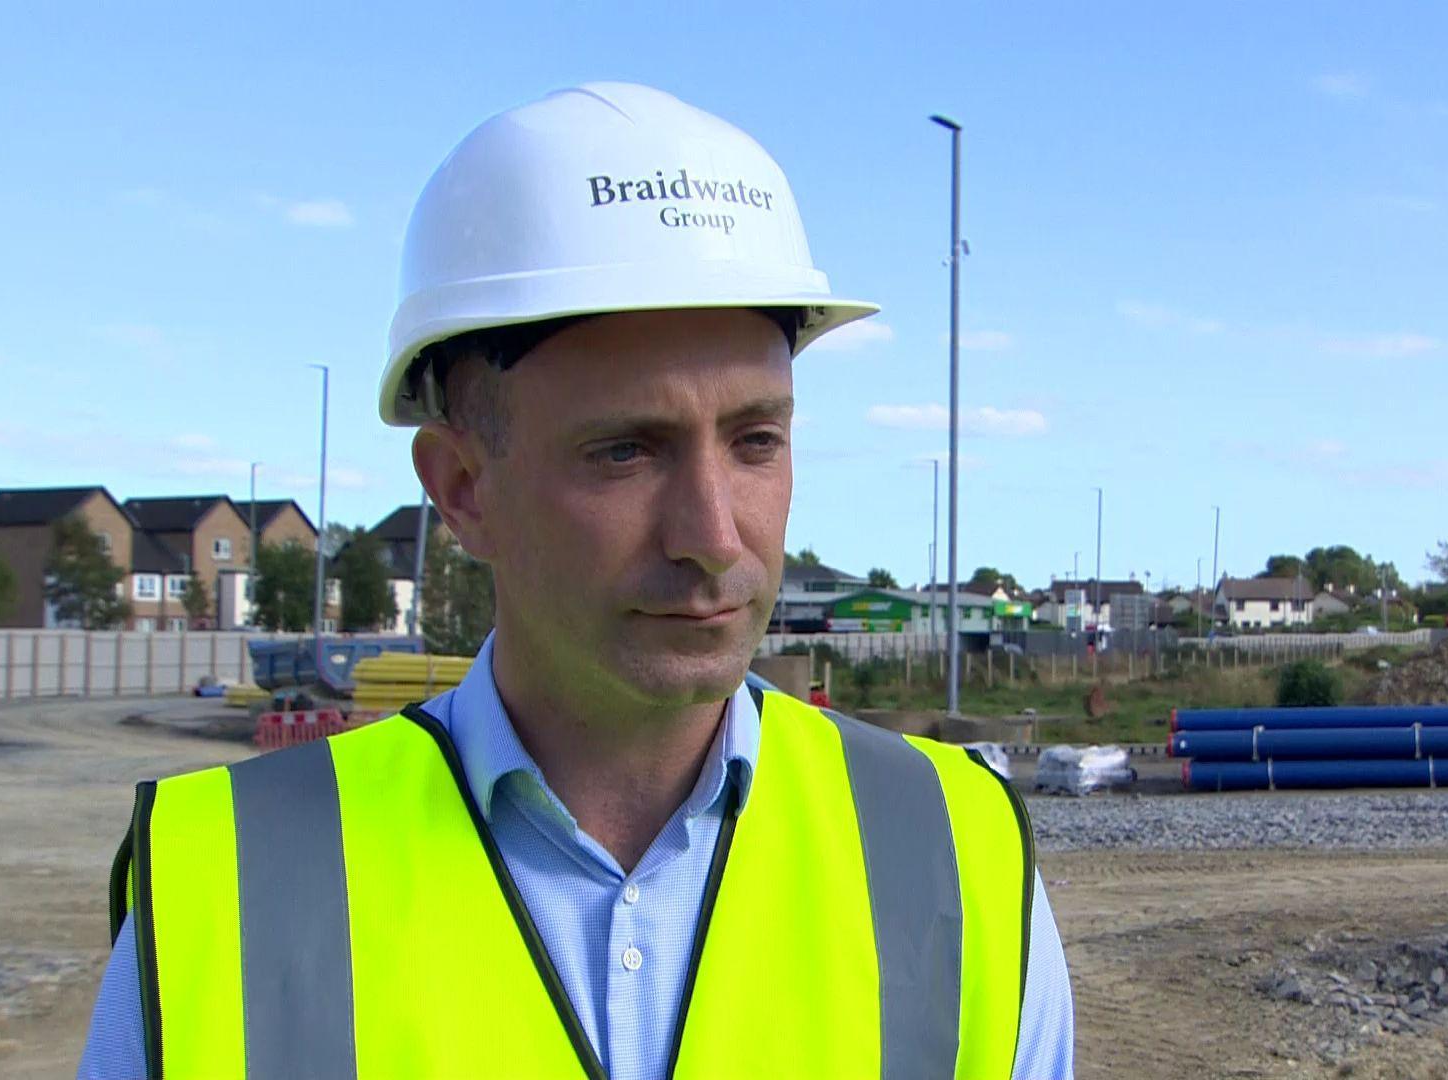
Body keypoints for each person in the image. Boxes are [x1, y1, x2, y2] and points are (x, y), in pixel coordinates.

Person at [79, 82, 1074, 1079]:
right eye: (626, 452)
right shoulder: (231, 889)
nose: (714, 535)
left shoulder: (956, 856)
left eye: (755, 440)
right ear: (463, 488)